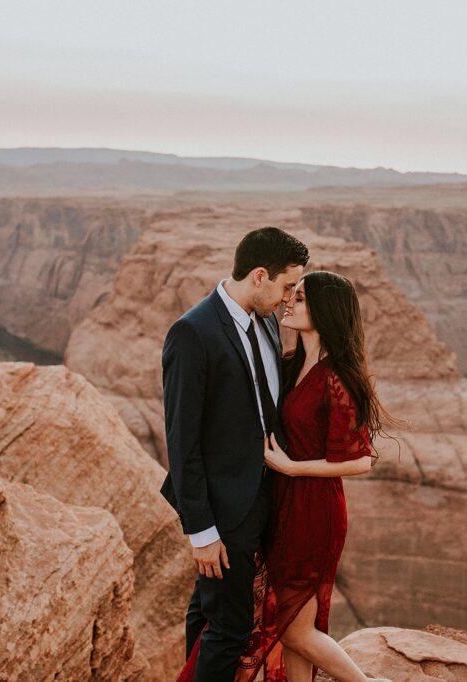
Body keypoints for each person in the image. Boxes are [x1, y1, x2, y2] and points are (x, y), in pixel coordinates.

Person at [161, 227, 308, 682]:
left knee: (207, 614)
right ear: (260, 276)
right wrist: (202, 532)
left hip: (262, 496)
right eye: (287, 287)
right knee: (229, 626)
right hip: (224, 510)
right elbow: (182, 441)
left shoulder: (263, 319)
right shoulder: (193, 332)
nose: (289, 300)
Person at [249, 271, 395, 682]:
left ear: (325, 311)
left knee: (293, 628)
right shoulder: (292, 363)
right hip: (285, 504)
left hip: (313, 511)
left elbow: (362, 461)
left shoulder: (337, 377)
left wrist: (293, 468)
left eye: (300, 297)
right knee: (297, 621)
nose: (288, 302)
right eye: (289, 294)